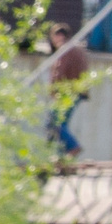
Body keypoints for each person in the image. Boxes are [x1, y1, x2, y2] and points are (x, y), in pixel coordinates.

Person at [48, 21, 89, 156]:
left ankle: (72, 148)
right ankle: (59, 155)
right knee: (61, 125)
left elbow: (59, 72)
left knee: (55, 123)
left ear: (59, 36)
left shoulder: (65, 49)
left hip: (66, 93)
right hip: (78, 92)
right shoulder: (78, 49)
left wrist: (53, 90)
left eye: (53, 36)